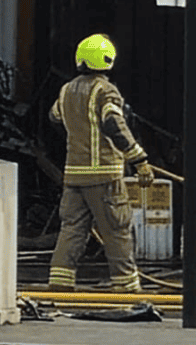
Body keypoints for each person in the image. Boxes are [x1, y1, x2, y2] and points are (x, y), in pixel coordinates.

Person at [47, 33, 155, 292]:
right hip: (104, 175)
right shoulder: (105, 90)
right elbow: (114, 125)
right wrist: (139, 159)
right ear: (108, 60)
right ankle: (126, 285)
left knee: (72, 228)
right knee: (117, 228)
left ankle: (60, 284)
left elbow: (54, 118)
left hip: (74, 174)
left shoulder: (66, 90)